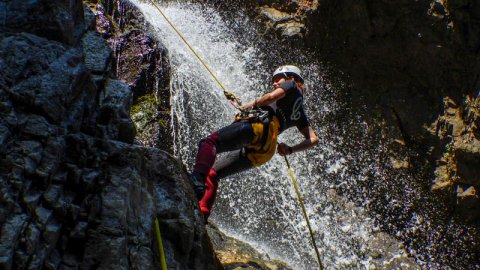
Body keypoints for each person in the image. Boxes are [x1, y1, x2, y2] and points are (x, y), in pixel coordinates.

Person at [190, 65, 318, 220]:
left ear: (291, 77)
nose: (274, 83)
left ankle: (196, 180)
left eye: (278, 79)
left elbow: (270, 98)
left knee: (209, 143)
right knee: (213, 173)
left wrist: (253, 103)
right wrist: (290, 149)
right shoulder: (300, 111)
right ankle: (202, 214)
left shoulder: (291, 85)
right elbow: (313, 139)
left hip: (259, 127)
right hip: (267, 148)